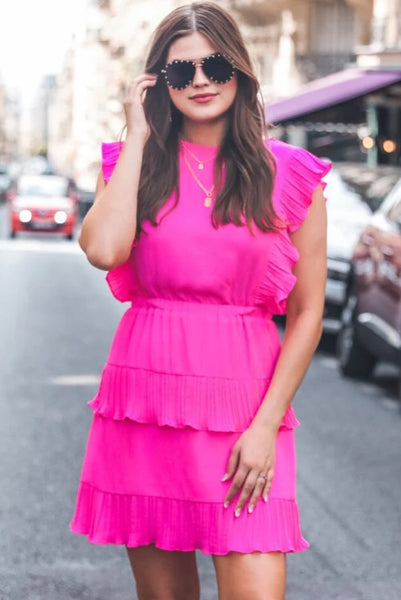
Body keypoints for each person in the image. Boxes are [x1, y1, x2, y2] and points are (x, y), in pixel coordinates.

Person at [70, 2, 331, 599]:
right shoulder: (130, 166)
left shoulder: (289, 175)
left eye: (214, 64)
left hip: (246, 408)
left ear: (238, 69)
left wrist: (266, 425)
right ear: (157, 82)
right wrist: (137, 134)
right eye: (178, 71)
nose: (200, 81)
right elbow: (105, 250)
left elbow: (308, 312)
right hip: (146, 404)